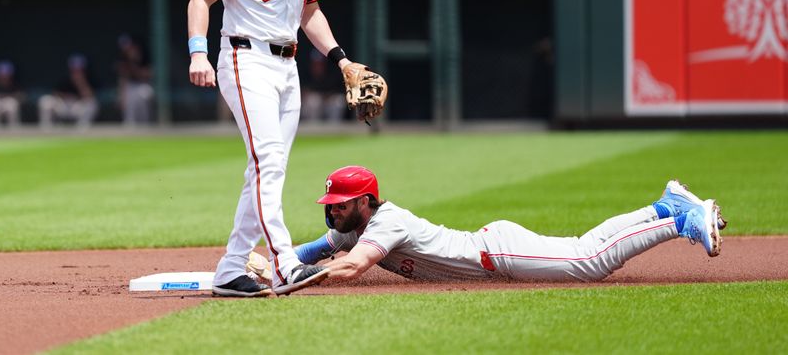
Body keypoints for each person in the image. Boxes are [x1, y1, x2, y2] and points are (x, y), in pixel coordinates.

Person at [187, 0, 375, 297]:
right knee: (268, 163)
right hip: (244, 58)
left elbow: (310, 12)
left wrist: (341, 59)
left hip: (286, 66)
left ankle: (231, 269)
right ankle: (286, 263)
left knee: (267, 170)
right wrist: (198, 51)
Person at [289, 166, 726, 285]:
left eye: (339, 205)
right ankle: (666, 205)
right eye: (331, 205)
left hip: (496, 252)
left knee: (590, 261)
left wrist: (297, 281)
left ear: (364, 201)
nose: (332, 213)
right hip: (491, 249)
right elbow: (316, 249)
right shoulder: (353, 226)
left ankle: (679, 220)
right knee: (585, 246)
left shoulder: (386, 222)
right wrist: (285, 262)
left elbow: (352, 266)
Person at [38, 53, 98, 129]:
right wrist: (66, 96)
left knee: (91, 104)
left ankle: (82, 130)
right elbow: (55, 93)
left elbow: (90, 96)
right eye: (74, 68)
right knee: (45, 101)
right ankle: (46, 129)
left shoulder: (90, 79)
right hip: (64, 105)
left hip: (77, 106)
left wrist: (81, 83)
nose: (77, 71)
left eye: (79, 69)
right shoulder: (65, 78)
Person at [115, 34, 154, 125]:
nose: (127, 50)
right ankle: (130, 126)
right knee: (129, 100)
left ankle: (146, 126)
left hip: (144, 85)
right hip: (130, 86)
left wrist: (133, 64)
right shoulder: (122, 59)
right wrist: (121, 97)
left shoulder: (144, 55)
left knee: (144, 94)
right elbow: (123, 79)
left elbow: (147, 75)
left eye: (129, 47)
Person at [0, 60, 23, 128]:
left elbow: (21, 96)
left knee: (10, 104)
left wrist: (8, 97)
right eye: (2, 74)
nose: (4, 76)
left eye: (6, 74)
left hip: (7, 104)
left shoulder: (15, 83)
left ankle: (13, 129)